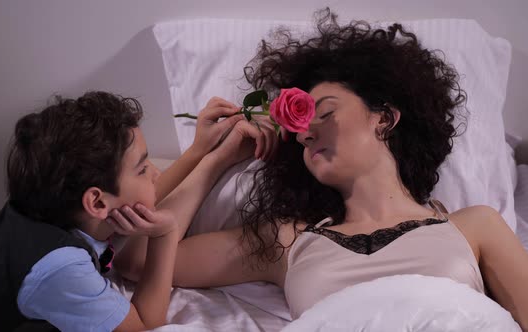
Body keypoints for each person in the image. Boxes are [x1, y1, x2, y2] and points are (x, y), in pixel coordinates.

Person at [113, 9, 528, 329]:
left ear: (384, 118)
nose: (306, 134)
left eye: (324, 113)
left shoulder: (475, 227)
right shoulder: (287, 240)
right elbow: (136, 263)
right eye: (299, 128)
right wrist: (213, 160)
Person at [0, 91, 269, 331]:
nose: (155, 173)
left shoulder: (49, 208)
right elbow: (143, 325)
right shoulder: (59, 266)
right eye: (142, 168)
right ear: (96, 203)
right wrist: (165, 235)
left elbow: (141, 198)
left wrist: (201, 152)